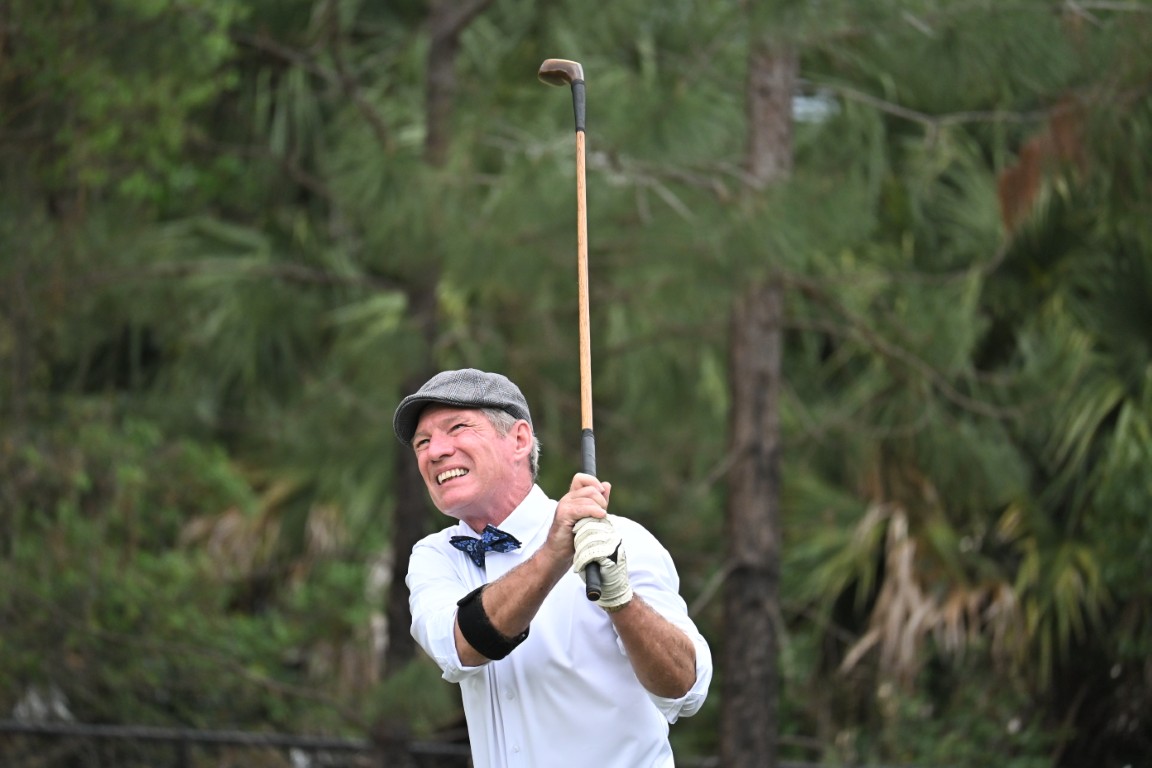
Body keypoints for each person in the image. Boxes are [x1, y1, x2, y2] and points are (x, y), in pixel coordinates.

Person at [393, 368, 712, 768]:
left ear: (519, 440)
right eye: (422, 442)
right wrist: (553, 554)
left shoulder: (619, 539)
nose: (435, 452)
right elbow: (460, 648)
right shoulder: (434, 555)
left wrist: (621, 600)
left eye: (457, 428)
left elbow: (685, 689)